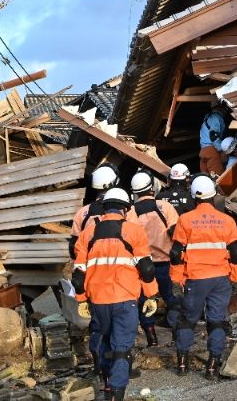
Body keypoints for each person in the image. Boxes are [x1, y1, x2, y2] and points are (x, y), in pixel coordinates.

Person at [73, 188, 159, 401]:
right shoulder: (134, 231)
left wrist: (81, 298)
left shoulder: (88, 234)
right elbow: (147, 268)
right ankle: (116, 393)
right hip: (125, 298)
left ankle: (105, 383)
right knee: (122, 347)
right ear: (125, 208)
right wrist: (150, 295)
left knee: (103, 340)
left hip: (99, 300)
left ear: (104, 207)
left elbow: (77, 275)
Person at [169, 174, 237, 380]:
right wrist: (235, 279)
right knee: (217, 321)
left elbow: (176, 254)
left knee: (187, 320)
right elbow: (235, 253)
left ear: (194, 197)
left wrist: (176, 280)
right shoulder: (227, 221)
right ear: (213, 196)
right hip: (220, 279)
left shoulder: (185, 220)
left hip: (195, 278)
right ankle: (212, 367)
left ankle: (182, 365)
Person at [128, 170, 181, 346]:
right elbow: (176, 233)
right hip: (167, 264)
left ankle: (151, 338)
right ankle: (177, 336)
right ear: (152, 188)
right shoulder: (165, 207)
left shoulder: (131, 212)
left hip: (143, 266)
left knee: (146, 302)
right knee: (172, 299)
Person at [69, 163, 118, 259]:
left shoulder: (82, 212)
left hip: (90, 267)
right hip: (118, 269)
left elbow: (73, 247)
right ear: (115, 183)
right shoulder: (126, 211)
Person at [198, 105, 228, 176]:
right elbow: (213, 135)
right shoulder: (217, 118)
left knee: (205, 177)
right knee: (217, 177)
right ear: (220, 108)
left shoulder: (208, 117)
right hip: (211, 151)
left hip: (203, 151)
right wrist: (222, 149)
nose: (226, 111)